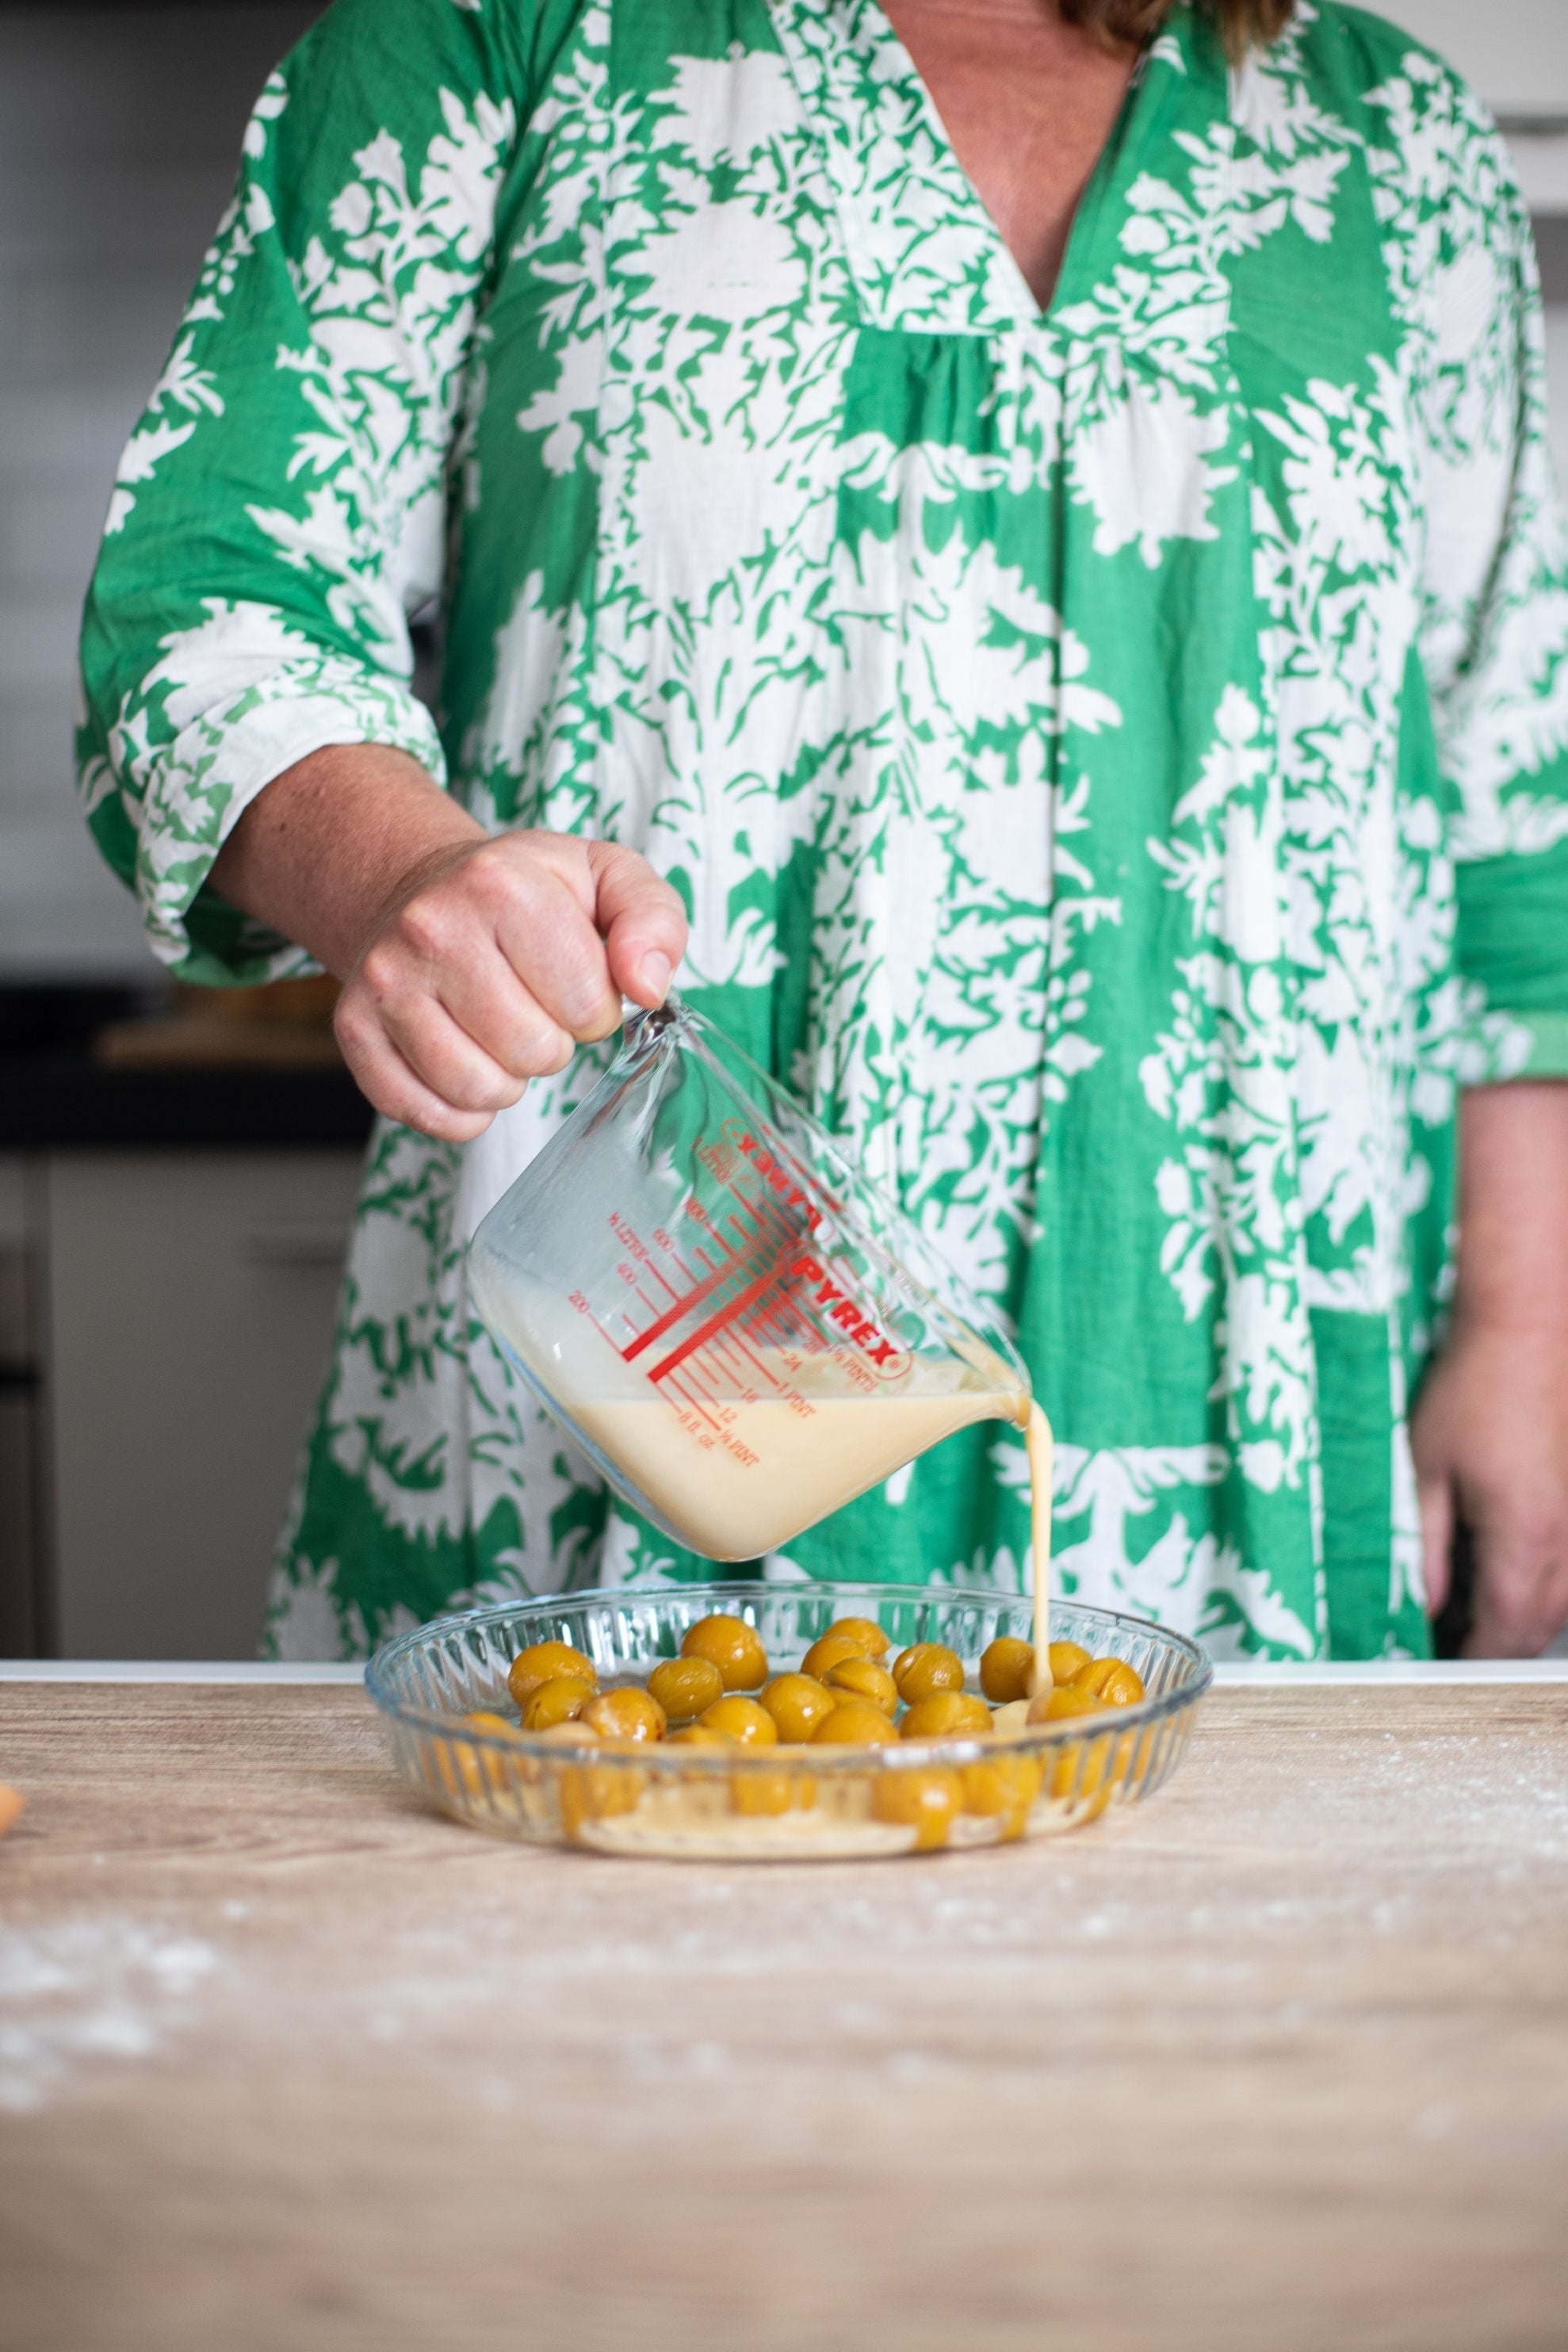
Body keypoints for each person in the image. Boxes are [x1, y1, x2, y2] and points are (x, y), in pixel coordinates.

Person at [78, 0, 1568, 1662]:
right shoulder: (499, 34)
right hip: (633, 1340)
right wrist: (396, 871)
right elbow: (211, 595)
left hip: (1247, 1412)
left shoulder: (1392, 144)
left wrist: (1524, 1328)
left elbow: (1515, 792)